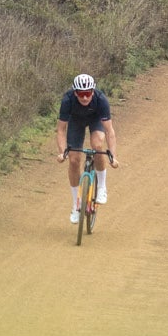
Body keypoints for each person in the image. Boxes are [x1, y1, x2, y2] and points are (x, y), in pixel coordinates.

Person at [56, 71, 116, 225]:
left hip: (95, 120)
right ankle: (76, 205)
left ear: (93, 91)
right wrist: (62, 152)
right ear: (75, 93)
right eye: (81, 94)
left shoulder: (101, 100)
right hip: (76, 122)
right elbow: (61, 130)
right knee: (74, 160)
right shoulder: (67, 100)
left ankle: (102, 187)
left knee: (97, 145)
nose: (84, 97)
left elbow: (109, 131)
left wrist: (113, 157)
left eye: (87, 93)